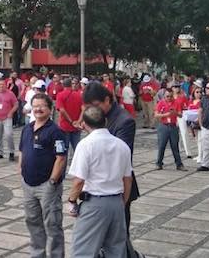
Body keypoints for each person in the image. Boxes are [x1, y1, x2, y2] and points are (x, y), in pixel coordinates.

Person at [67, 106, 132, 258]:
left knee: (83, 250)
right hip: (116, 202)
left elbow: (78, 181)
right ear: (106, 121)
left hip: (94, 202)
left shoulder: (85, 145)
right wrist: (122, 202)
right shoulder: (121, 145)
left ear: (84, 124)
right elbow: (127, 179)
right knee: (116, 250)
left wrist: (71, 201)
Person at [82, 82, 139, 235]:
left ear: (107, 100)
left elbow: (118, 155)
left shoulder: (124, 120)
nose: (91, 111)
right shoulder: (98, 118)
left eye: (95, 105)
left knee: (118, 236)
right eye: (88, 107)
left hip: (117, 185)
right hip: (97, 186)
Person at [19, 93, 67, 258]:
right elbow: (22, 152)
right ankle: (37, 254)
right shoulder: (27, 128)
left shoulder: (56, 132)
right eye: (35, 106)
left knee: (52, 225)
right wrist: (21, 174)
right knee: (33, 223)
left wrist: (53, 181)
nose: (38, 109)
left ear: (50, 108)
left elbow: (61, 158)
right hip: (28, 185)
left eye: (42, 106)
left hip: (47, 186)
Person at [154, 84, 186, 171]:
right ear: (164, 96)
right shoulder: (161, 103)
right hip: (163, 126)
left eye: (170, 96)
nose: (169, 98)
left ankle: (179, 164)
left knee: (175, 146)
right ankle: (159, 163)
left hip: (173, 126)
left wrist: (175, 112)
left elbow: (180, 115)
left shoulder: (176, 102)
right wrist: (165, 114)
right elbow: (156, 115)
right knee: (161, 145)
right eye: (167, 96)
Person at [56, 78, 83, 157]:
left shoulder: (60, 95)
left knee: (63, 151)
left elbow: (62, 110)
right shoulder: (79, 95)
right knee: (77, 149)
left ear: (63, 85)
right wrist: (78, 121)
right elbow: (84, 109)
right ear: (71, 84)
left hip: (64, 126)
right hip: (76, 127)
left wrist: (71, 121)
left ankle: (63, 168)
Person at [173, 82, 193, 159]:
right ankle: (176, 150)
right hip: (172, 117)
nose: (176, 89)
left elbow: (187, 106)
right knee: (174, 135)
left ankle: (188, 152)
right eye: (175, 87)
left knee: (184, 133)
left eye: (178, 87)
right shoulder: (170, 97)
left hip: (181, 116)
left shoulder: (182, 97)